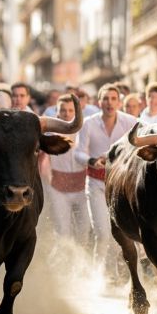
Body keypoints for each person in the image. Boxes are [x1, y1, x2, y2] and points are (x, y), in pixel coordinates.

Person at [75, 84, 137, 275]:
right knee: (102, 234)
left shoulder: (132, 122)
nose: (109, 103)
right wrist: (92, 160)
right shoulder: (88, 123)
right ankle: (100, 275)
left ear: (119, 102)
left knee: (123, 233)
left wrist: (114, 157)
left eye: (113, 99)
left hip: (121, 185)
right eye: (105, 99)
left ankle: (118, 273)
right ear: (99, 102)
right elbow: (78, 153)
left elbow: (137, 148)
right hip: (96, 183)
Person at [44, 95, 89, 245]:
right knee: (63, 232)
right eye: (63, 110)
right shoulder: (50, 136)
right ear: (57, 113)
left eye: (71, 110)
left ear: (77, 113)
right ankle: (65, 262)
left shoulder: (84, 133)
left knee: (85, 229)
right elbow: (42, 162)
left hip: (82, 189)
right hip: (59, 189)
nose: (67, 113)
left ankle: (82, 262)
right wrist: (48, 184)